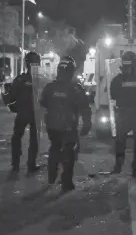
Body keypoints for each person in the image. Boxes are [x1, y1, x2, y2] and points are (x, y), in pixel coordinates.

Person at [40, 57, 92, 192]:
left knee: (55, 148)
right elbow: (85, 108)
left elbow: (43, 102)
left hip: (52, 126)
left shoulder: (50, 87)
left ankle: (51, 177)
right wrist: (87, 123)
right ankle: (66, 182)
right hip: (68, 126)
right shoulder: (75, 89)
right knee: (69, 152)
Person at [110, 51, 136, 177]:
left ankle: (118, 167)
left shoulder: (117, 80)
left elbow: (113, 96)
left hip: (123, 115)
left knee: (120, 142)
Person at [7, 51, 42, 173]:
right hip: (35, 114)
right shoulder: (41, 80)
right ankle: (31, 164)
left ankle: (15, 164)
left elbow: (11, 96)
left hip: (22, 113)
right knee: (34, 139)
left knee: (17, 137)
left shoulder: (20, 79)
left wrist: (15, 106)